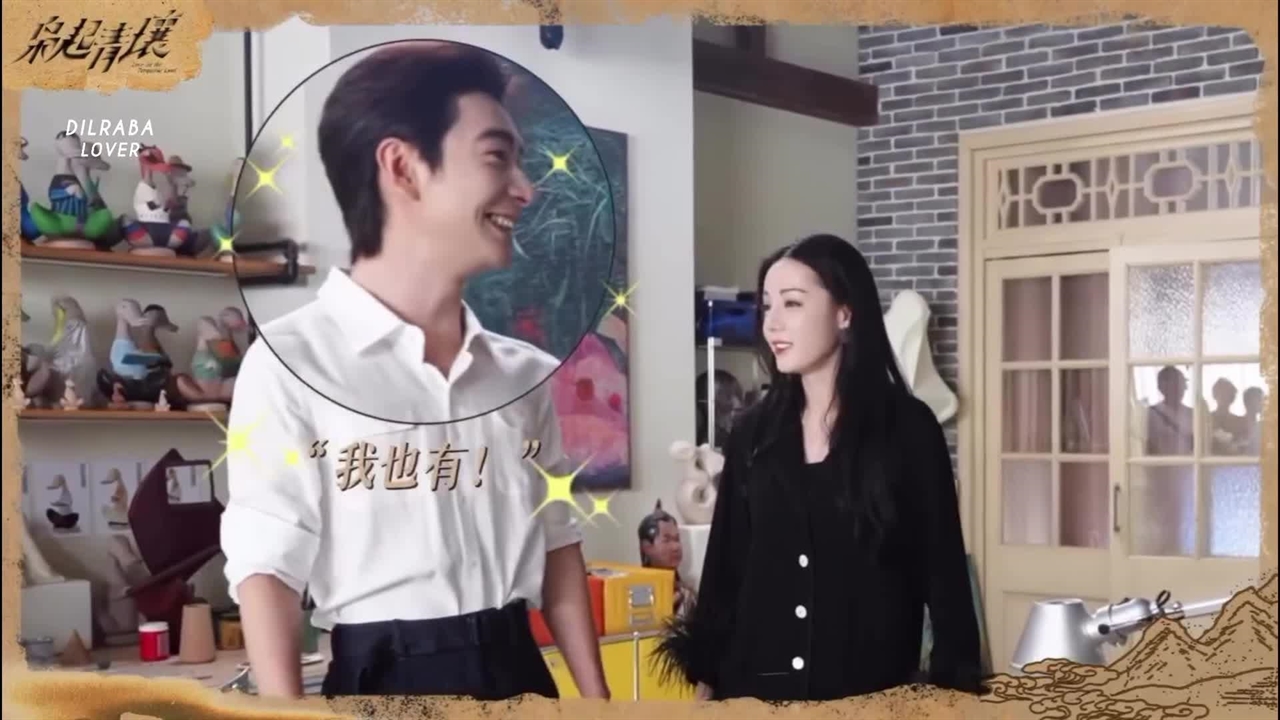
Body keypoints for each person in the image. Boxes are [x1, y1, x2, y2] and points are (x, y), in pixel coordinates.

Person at [220, 41, 608, 701]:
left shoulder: (523, 377)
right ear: (402, 167)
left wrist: (599, 704)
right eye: (496, 157)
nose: (525, 188)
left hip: (520, 672)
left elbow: (558, 547)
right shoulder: (291, 364)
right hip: (385, 683)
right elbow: (268, 570)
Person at [655, 234, 987, 702]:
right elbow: (724, 575)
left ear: (844, 313)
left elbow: (945, 581)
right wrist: (705, 691)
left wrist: (955, 695)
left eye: (792, 303)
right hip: (754, 695)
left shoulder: (908, 431)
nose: (772, 323)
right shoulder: (752, 433)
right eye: (767, 306)